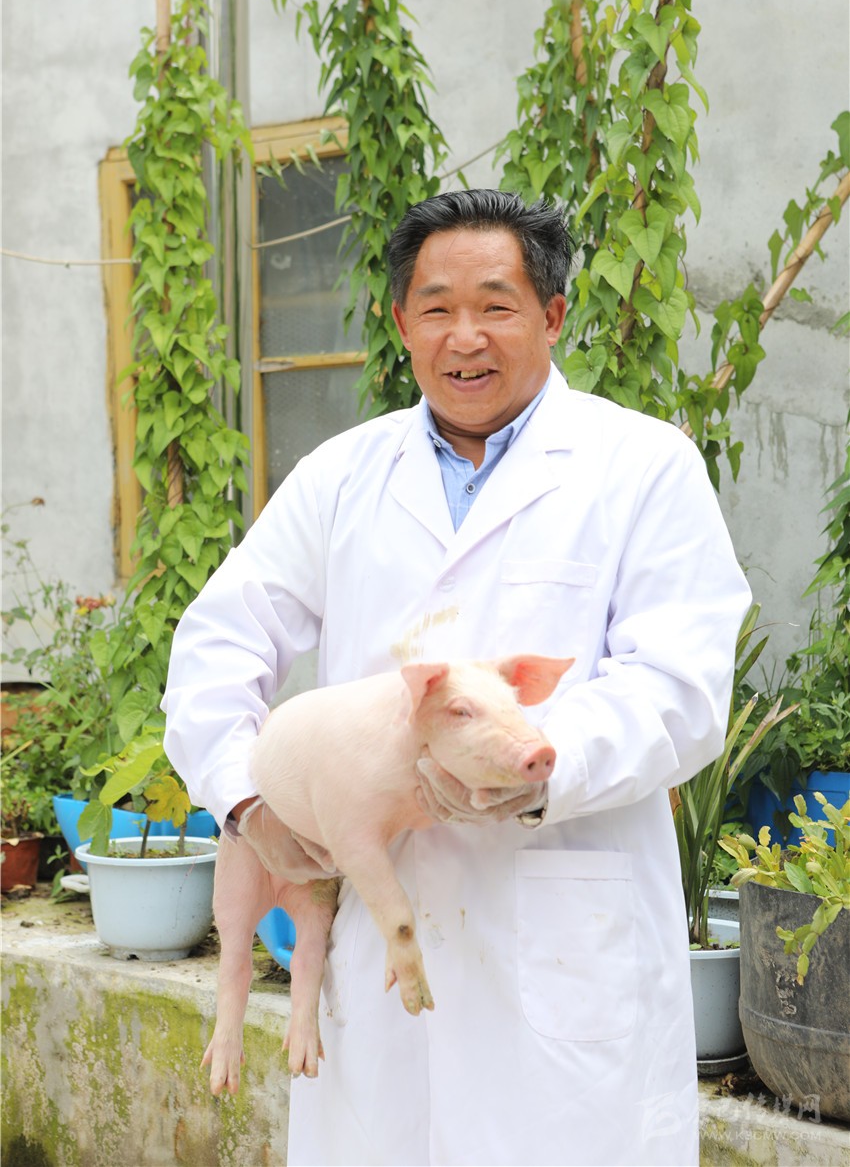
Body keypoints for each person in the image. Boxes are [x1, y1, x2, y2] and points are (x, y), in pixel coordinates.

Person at [163, 189, 751, 1167]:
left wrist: (540, 764)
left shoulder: (642, 466)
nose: (464, 337)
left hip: (562, 943)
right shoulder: (343, 476)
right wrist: (246, 800)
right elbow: (219, 642)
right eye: (436, 308)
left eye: (495, 305)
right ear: (401, 322)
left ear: (552, 315)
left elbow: (679, 687)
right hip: (380, 943)